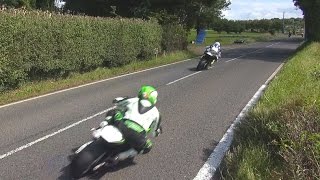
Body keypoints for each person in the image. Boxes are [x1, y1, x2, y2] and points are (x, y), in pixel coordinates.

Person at [101, 85, 162, 163]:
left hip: (122, 125)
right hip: (137, 135)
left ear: (141, 93)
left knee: (114, 112)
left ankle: (103, 125)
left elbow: (117, 102)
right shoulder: (157, 113)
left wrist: (118, 101)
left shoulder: (133, 99)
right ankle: (119, 157)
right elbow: (154, 133)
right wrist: (158, 131)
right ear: (154, 98)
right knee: (148, 147)